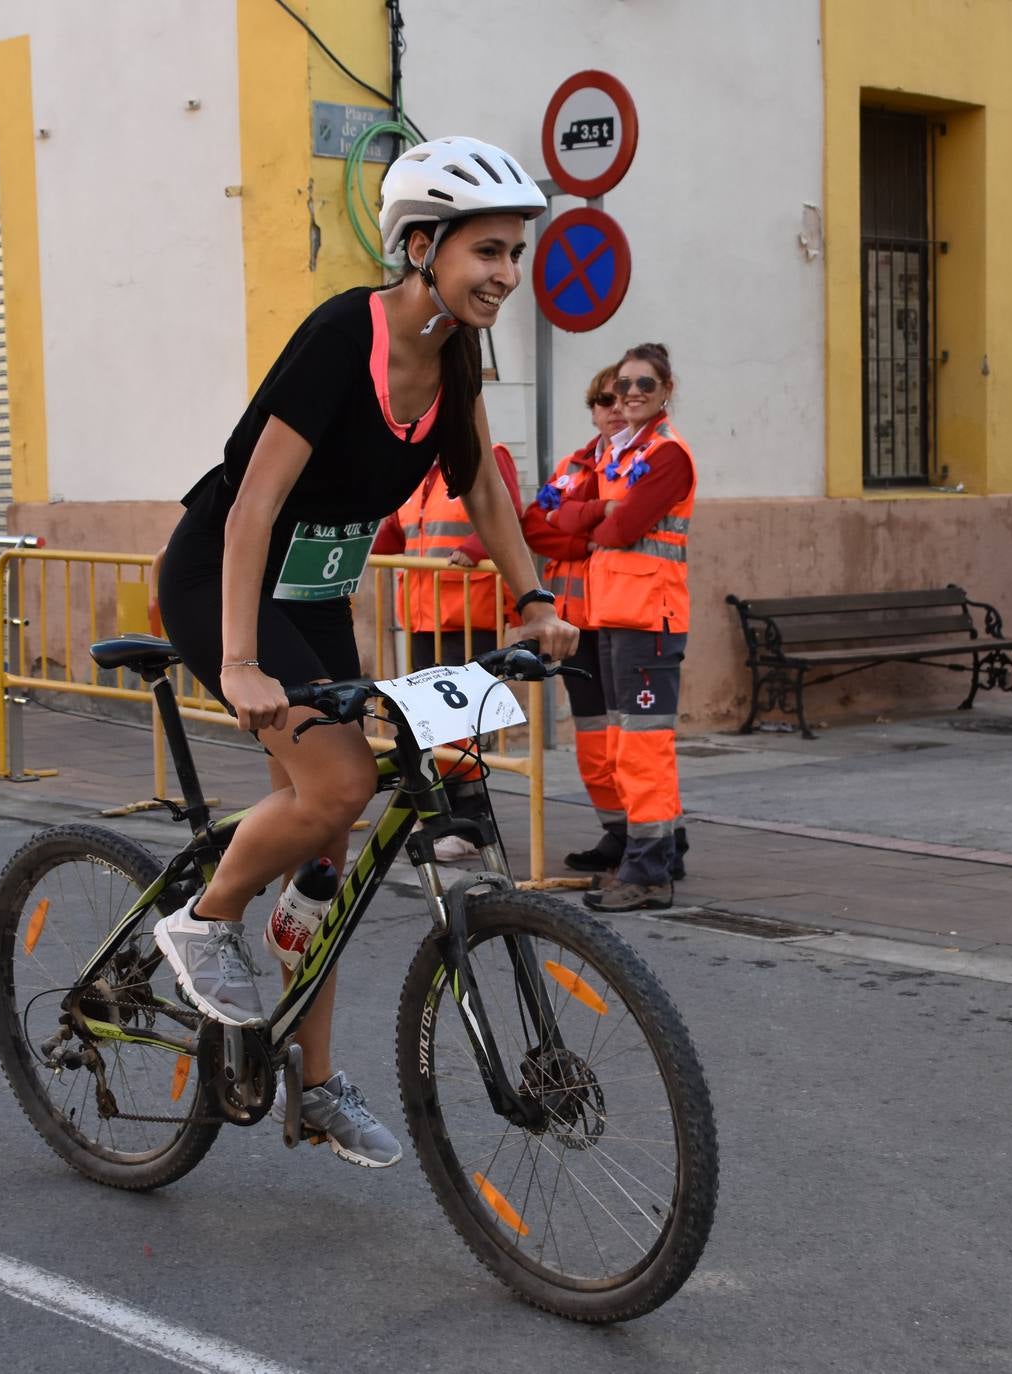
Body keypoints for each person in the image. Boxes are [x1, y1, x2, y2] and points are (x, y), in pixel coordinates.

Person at [152, 136, 577, 1167]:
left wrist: (533, 597)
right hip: (225, 578)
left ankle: (313, 1085)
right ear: (421, 245)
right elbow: (253, 504)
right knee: (339, 783)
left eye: (516, 254)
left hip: (319, 591)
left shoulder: (458, 357)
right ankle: (205, 922)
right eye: (488, 251)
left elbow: (479, 485)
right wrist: (242, 661)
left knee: (328, 852)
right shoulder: (348, 334)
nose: (507, 275)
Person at [545, 343, 695, 912]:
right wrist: (598, 517)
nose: (630, 395)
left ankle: (649, 872)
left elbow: (623, 527)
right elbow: (553, 516)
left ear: (665, 390)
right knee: (626, 745)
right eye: (622, 387)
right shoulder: (620, 456)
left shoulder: (666, 455)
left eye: (643, 386)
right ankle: (655, 855)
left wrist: (600, 520)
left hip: (648, 618)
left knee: (642, 748)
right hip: (615, 614)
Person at [373, 441, 526, 861]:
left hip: (468, 610)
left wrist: (476, 549)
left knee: (460, 726)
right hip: (425, 613)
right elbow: (394, 530)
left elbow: (506, 508)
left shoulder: (483, 453)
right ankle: (445, 816)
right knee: (435, 725)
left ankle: (473, 823)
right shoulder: (414, 469)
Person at [523, 364, 645, 871]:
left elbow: (626, 524)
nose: (612, 409)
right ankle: (615, 832)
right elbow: (533, 524)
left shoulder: (640, 463)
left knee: (632, 739)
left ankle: (654, 835)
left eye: (620, 399)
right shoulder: (574, 466)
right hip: (575, 624)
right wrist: (588, 529)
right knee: (592, 734)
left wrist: (576, 519)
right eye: (602, 401)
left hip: (622, 617)